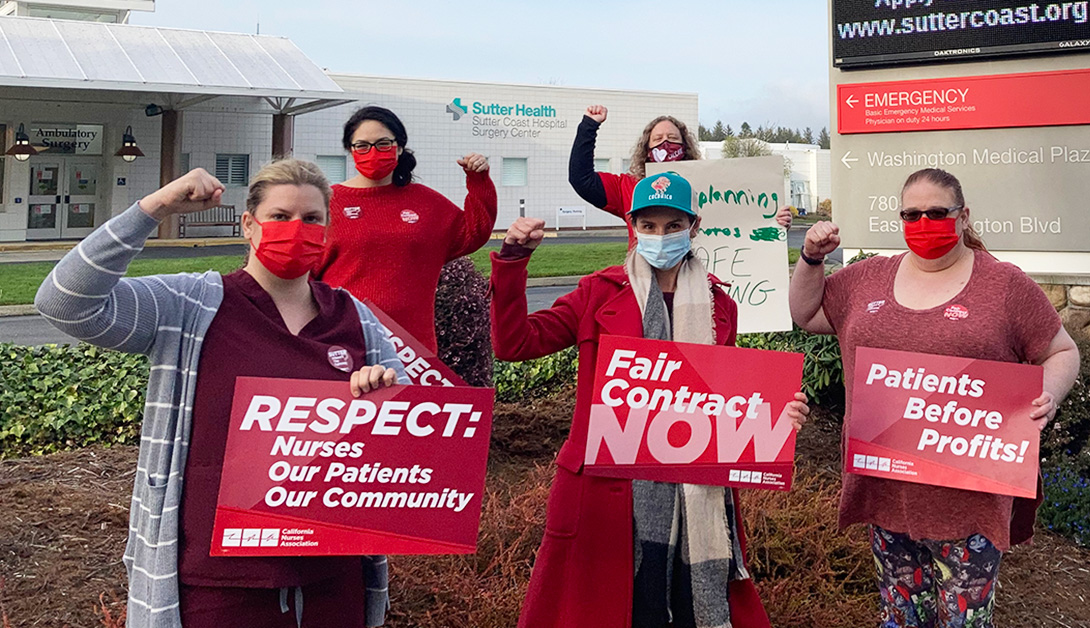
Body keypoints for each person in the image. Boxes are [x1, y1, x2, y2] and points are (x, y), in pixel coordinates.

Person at [35, 161, 409, 628]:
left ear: (328, 230)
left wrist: (381, 398)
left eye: (312, 219)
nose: (296, 229)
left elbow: (406, 430)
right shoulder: (188, 305)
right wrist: (154, 208)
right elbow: (65, 304)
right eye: (280, 216)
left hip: (330, 572)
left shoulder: (354, 318)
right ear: (249, 224)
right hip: (217, 579)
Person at [491, 171, 809, 628]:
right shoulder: (596, 292)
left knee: (683, 610)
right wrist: (513, 261)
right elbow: (514, 344)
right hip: (607, 491)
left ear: (694, 227)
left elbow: (724, 400)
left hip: (694, 493)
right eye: (649, 226)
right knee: (613, 608)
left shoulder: (722, 305)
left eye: (673, 226)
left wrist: (778, 412)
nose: (660, 236)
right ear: (632, 225)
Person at [788, 168, 1080, 628]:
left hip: (970, 498)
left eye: (937, 213)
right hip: (886, 489)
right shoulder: (867, 279)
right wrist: (809, 257)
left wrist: (1049, 392)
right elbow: (806, 313)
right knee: (900, 616)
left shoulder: (1004, 286)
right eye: (912, 214)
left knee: (963, 622)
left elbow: (1062, 350)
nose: (924, 223)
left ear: (963, 217)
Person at [313, 105, 498, 351]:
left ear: (399, 147)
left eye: (383, 144)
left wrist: (479, 180)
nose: (373, 152)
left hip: (413, 349)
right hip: (343, 341)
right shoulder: (326, 202)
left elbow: (474, 231)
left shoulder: (425, 202)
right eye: (362, 145)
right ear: (350, 150)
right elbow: (304, 272)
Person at [568, 105, 793, 244]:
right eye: (657, 140)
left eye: (673, 139)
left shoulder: (711, 187)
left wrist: (775, 219)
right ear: (646, 150)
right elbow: (582, 179)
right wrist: (589, 127)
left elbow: (742, 220)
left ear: (685, 148)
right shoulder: (632, 188)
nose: (666, 144)